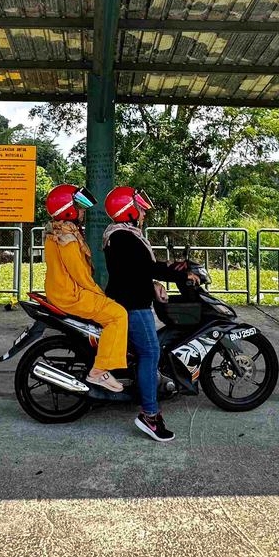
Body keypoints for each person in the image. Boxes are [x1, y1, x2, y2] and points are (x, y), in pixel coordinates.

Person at [102, 186, 194, 444]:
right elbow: (148, 267)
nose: (143, 212)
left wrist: (155, 282)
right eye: (139, 208)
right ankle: (150, 416)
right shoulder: (124, 237)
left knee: (145, 351)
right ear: (127, 210)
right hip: (133, 305)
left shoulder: (123, 235)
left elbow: (136, 272)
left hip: (133, 298)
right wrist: (180, 274)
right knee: (150, 352)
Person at [41, 183, 129, 393]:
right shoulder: (67, 239)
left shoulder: (56, 232)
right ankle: (99, 371)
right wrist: (100, 294)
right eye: (79, 208)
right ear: (68, 210)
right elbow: (81, 276)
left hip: (61, 291)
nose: (82, 212)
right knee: (118, 315)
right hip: (71, 295)